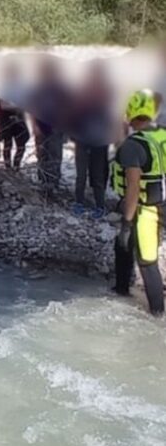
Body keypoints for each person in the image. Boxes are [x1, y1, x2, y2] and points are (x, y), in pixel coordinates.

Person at [111, 90, 166, 315]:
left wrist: (126, 222)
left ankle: (157, 315)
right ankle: (121, 288)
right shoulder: (163, 134)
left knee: (147, 261)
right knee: (121, 246)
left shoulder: (132, 146)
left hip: (147, 209)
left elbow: (133, 188)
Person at [69, 61, 115, 219]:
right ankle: (80, 202)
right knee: (81, 174)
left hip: (98, 141)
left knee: (97, 175)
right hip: (85, 140)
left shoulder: (107, 92)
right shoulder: (82, 92)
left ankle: (99, 205)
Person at [29, 57, 70, 195]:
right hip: (41, 128)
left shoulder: (61, 89)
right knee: (42, 155)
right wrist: (35, 127)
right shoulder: (37, 89)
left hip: (55, 129)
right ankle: (43, 180)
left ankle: (53, 183)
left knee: (55, 156)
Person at [0, 98, 29, 171]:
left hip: (19, 126)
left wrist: (20, 119)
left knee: (21, 147)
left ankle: (16, 165)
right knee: (8, 146)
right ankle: (8, 167)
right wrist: (3, 124)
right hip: (6, 125)